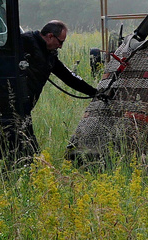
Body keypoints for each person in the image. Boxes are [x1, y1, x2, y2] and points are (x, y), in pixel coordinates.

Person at [16, 19, 99, 154]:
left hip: (25, 107)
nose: (60, 46)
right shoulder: (24, 41)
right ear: (50, 36)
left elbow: (68, 76)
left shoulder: (50, 55)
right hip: (14, 105)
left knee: (26, 148)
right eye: (60, 42)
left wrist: (94, 92)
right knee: (28, 149)